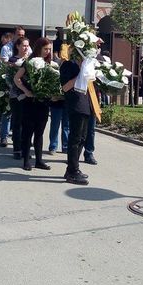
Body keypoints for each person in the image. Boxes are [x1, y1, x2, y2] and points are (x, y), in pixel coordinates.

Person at [14, 38, 52, 171]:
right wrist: (26, 91)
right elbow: (17, 78)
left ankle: (39, 160)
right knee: (28, 131)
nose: (47, 52)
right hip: (30, 102)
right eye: (45, 49)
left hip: (43, 102)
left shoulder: (49, 64)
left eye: (49, 49)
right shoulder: (29, 62)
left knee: (40, 133)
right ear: (39, 48)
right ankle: (26, 160)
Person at [60, 49, 93, 185]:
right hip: (76, 104)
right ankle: (72, 172)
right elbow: (65, 87)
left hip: (85, 105)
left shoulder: (86, 65)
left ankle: (72, 168)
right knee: (75, 138)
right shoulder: (68, 65)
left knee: (82, 139)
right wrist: (81, 72)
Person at [5, 37, 30, 158]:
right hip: (16, 96)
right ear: (18, 47)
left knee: (27, 124)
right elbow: (11, 79)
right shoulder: (13, 60)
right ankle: (17, 149)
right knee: (17, 123)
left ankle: (25, 149)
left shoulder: (31, 60)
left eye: (27, 46)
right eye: (24, 45)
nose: (26, 48)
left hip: (27, 96)